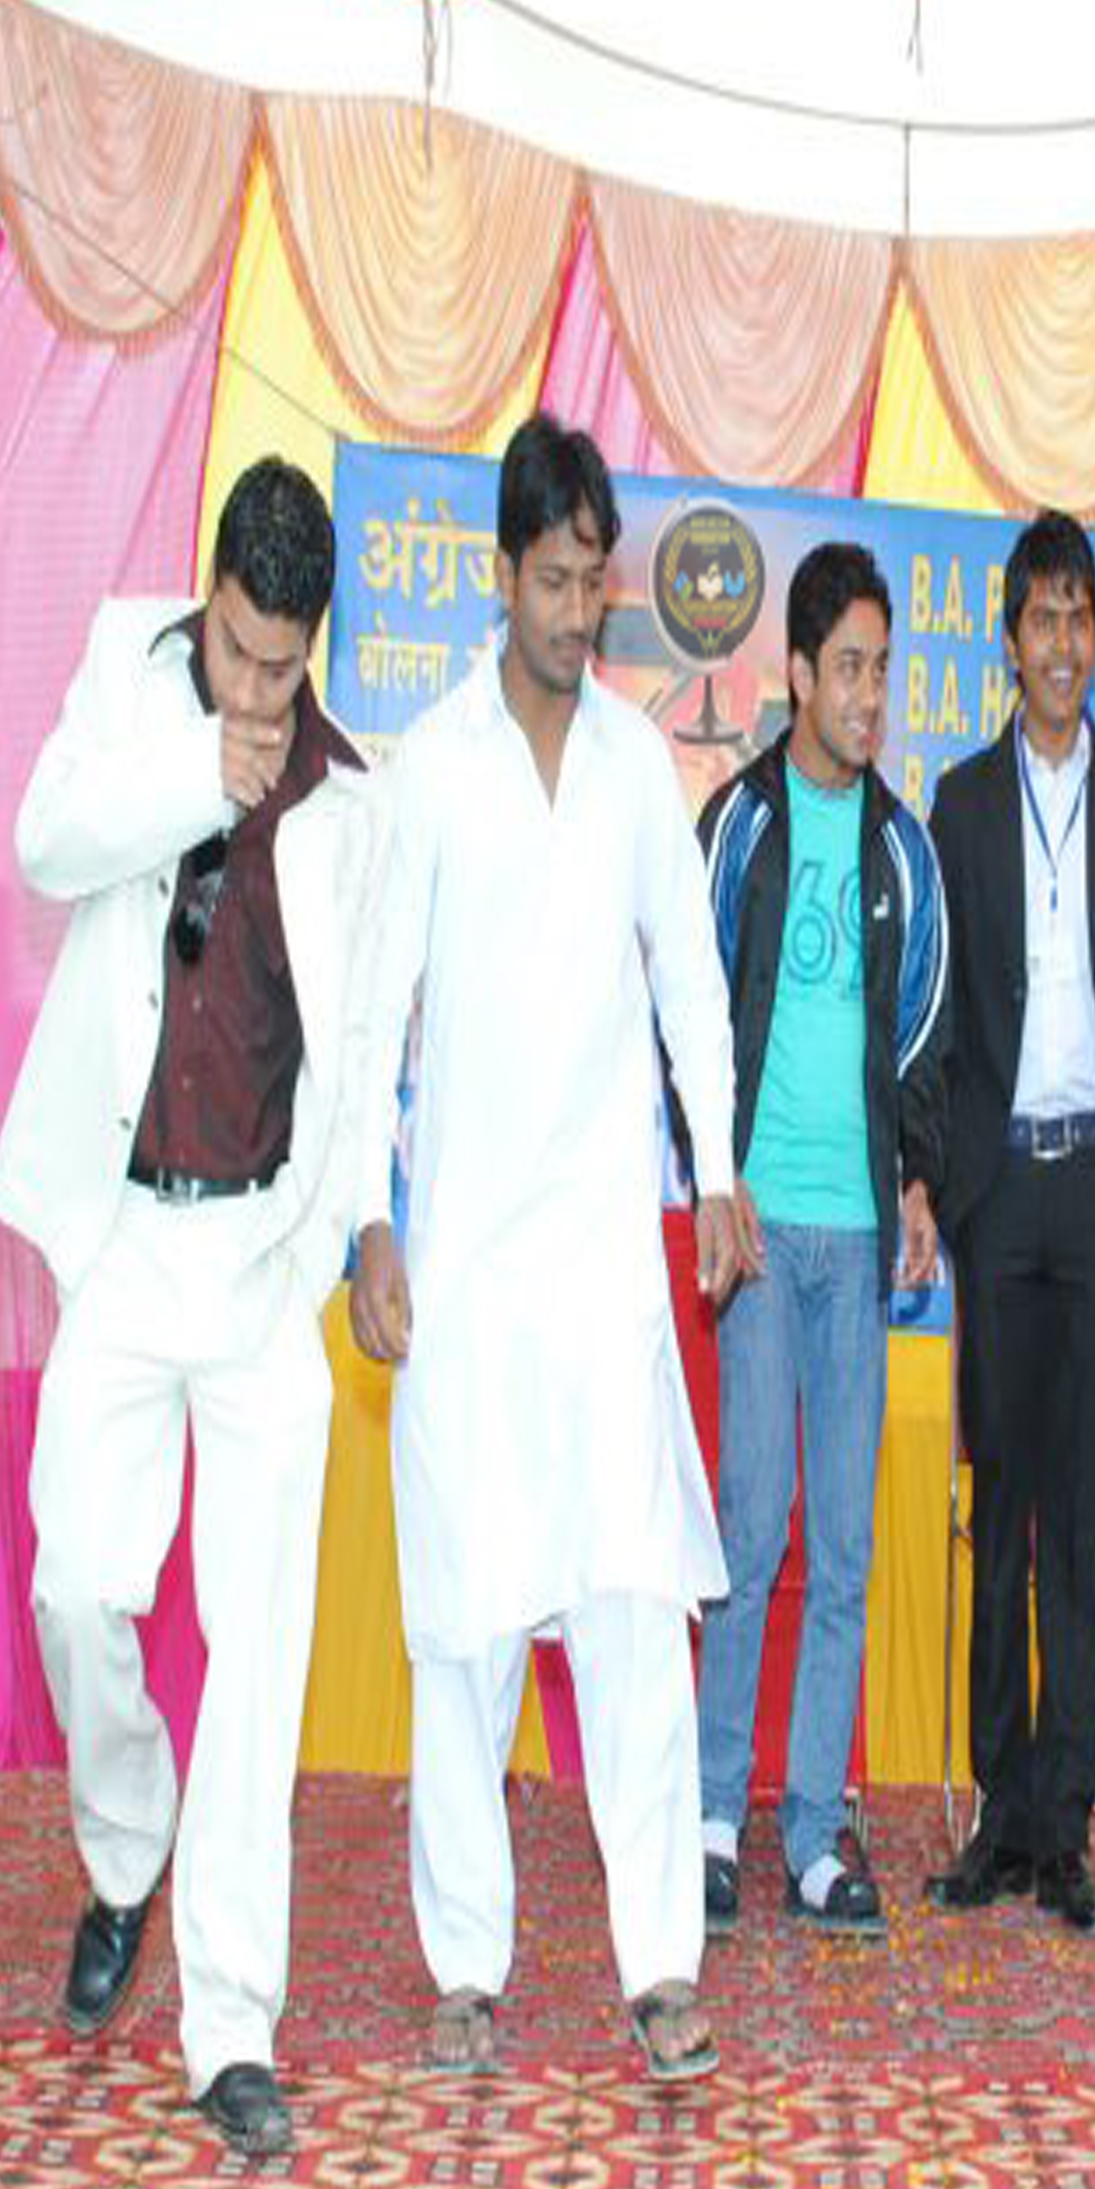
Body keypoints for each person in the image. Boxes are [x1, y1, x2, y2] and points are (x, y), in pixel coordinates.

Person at [0, 458, 374, 2160]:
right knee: (83, 1588)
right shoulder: (122, 680)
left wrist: (345, 1236)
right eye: (238, 650)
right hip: (127, 1243)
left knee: (262, 1657)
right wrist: (191, 774)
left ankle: (231, 2024)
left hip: (260, 1267)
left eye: (286, 667)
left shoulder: (354, 800)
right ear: (207, 602)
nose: (259, 692)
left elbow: (362, 1066)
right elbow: (44, 842)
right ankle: (123, 1844)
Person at [349, 412, 742, 2085]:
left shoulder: (643, 768)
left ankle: (662, 1971)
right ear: (504, 575)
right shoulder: (429, 767)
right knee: (467, 1637)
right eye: (560, 580)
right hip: (467, 1279)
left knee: (636, 1622)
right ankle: (466, 1973)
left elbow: (689, 982)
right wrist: (370, 1216)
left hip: (599, 1280)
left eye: (600, 584)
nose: (584, 613)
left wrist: (714, 1169)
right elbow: (373, 1013)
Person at [925, 511, 1095, 1934]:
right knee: (1007, 1520)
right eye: (1037, 619)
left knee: (1084, 1529)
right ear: (1007, 638)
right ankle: (995, 1825)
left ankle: (1067, 1835)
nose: (1060, 645)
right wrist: (950, 1184)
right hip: (997, 1201)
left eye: (1078, 619)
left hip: (1093, 1197)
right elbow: (928, 1020)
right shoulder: (962, 806)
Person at [692, 543, 949, 1939]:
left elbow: (926, 1039)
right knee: (749, 1530)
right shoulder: (736, 828)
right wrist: (713, 1186)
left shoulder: (904, 852)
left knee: (842, 1548)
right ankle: (714, 1821)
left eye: (882, 670)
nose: (869, 695)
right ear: (794, 674)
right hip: (759, 1241)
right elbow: (688, 1021)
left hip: (856, 1248)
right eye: (847, 668)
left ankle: (810, 1836)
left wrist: (915, 1183)